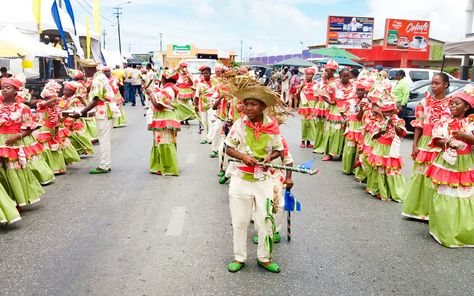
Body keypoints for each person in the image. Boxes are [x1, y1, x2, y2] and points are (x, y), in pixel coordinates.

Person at [224, 76, 286, 273]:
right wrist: (242, 156)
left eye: (253, 104)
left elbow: (279, 150)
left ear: (262, 107)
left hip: (264, 180)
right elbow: (228, 148)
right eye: (246, 104)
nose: (248, 108)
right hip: (241, 179)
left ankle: (264, 258)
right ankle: (239, 257)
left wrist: (270, 158)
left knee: (265, 220)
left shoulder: (272, 126)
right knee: (240, 221)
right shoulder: (239, 125)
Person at [425, 89, 474, 247]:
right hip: (446, 162)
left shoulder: (471, 123)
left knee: (464, 195)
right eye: (451, 103)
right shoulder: (443, 122)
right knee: (445, 193)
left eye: (457, 103)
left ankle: (462, 231)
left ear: (466, 107)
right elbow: (435, 140)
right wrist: (450, 142)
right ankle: (444, 230)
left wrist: (466, 137)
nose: (452, 106)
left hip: (465, 163)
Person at [402, 73, 451, 220]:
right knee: (420, 176)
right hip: (425, 143)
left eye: (437, 83)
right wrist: (415, 145)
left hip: (441, 143)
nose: (433, 86)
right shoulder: (424, 102)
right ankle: (416, 210)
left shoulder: (452, 103)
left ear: (446, 85)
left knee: (437, 177)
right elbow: (419, 125)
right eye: (432, 83)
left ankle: (433, 213)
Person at [0, 77, 45, 207]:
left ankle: (17, 201)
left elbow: (29, 128)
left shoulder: (22, 107)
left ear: (15, 91)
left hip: (13, 143)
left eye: (8, 88)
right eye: (3, 87)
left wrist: (16, 137)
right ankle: (6, 203)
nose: (4, 90)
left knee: (13, 171)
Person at [70, 59, 119, 174]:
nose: (84, 72)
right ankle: (105, 164)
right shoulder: (100, 77)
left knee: (104, 139)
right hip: (106, 110)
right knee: (104, 138)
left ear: (89, 69)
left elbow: (96, 100)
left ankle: (104, 165)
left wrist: (81, 113)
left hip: (105, 111)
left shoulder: (97, 80)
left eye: (84, 69)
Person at [368, 93, 407, 202]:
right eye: (385, 111)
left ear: (394, 110)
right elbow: (373, 136)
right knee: (380, 169)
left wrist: (393, 124)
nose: (388, 114)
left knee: (392, 170)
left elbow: (401, 134)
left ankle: (395, 192)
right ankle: (381, 191)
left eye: (390, 111)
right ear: (381, 111)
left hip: (391, 149)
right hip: (380, 148)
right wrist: (381, 131)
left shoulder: (399, 120)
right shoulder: (377, 120)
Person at [145, 69, 181, 176]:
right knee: (162, 142)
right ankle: (163, 165)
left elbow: (159, 105)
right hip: (164, 117)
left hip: (165, 117)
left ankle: (166, 167)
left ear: (164, 78)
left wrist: (151, 94)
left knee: (164, 142)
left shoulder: (169, 90)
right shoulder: (169, 88)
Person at [315, 65, 351, 161]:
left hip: (348, 110)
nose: (346, 78)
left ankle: (342, 153)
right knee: (333, 131)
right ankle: (329, 154)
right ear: (340, 76)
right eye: (344, 76)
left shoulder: (353, 86)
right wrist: (330, 101)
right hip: (336, 111)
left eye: (348, 76)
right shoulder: (334, 85)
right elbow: (322, 93)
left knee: (345, 132)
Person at [341, 80, 369, 175]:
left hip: (362, 128)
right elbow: (343, 111)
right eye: (358, 90)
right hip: (352, 127)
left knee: (360, 150)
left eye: (362, 90)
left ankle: (358, 173)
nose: (360, 92)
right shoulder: (351, 100)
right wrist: (347, 120)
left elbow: (361, 117)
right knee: (350, 148)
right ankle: (348, 168)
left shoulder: (368, 102)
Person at [62, 81, 94, 155]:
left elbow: (78, 110)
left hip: (74, 120)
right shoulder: (64, 98)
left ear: (72, 92)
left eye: (66, 90)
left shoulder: (75, 99)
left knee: (77, 135)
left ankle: (81, 149)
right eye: (64, 89)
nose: (64, 91)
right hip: (66, 118)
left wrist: (71, 119)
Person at [194, 65, 218, 144]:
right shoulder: (200, 84)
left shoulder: (215, 82)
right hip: (202, 105)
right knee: (204, 122)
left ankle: (210, 138)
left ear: (210, 74)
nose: (206, 75)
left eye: (207, 73)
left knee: (211, 122)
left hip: (212, 105)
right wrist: (195, 105)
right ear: (202, 74)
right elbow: (197, 95)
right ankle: (204, 138)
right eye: (204, 73)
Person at [297, 67, 318, 148]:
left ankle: (308, 141)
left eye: (310, 74)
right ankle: (303, 140)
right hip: (304, 105)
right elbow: (298, 95)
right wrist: (301, 87)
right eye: (307, 74)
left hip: (312, 104)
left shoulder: (315, 84)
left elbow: (317, 96)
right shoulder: (302, 83)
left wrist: (315, 106)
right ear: (305, 75)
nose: (309, 76)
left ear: (313, 75)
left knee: (311, 123)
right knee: (304, 123)